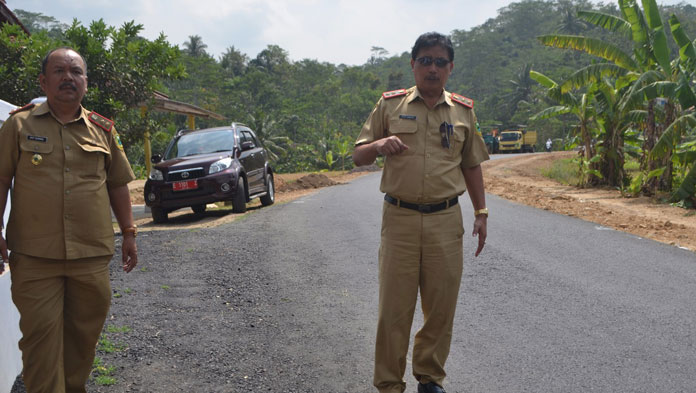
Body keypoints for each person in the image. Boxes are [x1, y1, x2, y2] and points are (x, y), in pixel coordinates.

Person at [353, 32, 489, 393]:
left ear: (450, 68)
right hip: (400, 218)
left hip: (446, 219)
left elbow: (472, 164)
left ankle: (429, 377)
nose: (432, 68)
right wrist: (379, 144)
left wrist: (481, 211)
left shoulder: (464, 111)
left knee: (441, 306)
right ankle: (388, 384)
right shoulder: (390, 105)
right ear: (412, 65)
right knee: (393, 310)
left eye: (440, 62)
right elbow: (358, 154)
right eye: (425, 61)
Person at [0, 47, 138, 393]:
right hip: (34, 258)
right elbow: (1, 179)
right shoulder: (18, 124)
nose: (68, 78)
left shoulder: (103, 130)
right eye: (59, 71)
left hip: (90, 257)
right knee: (40, 344)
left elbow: (118, 184)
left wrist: (130, 233)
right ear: (43, 81)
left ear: (86, 84)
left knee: (82, 342)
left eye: (76, 72)